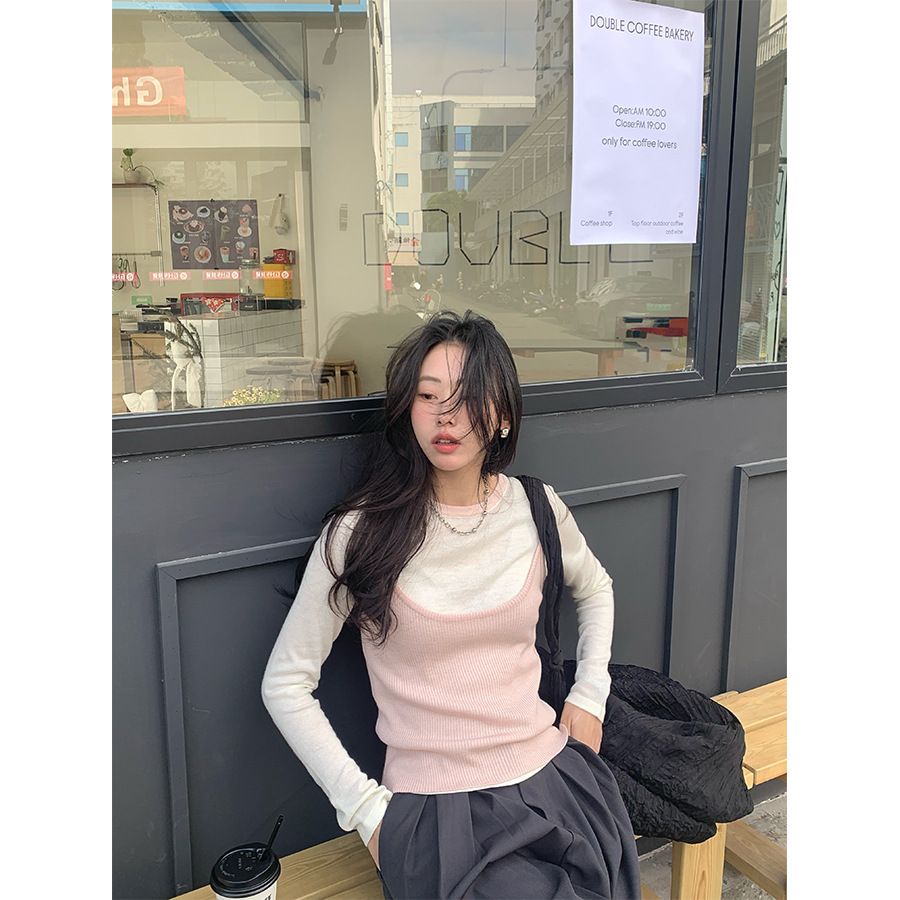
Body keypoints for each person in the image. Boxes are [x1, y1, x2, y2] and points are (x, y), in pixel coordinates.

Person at [262, 310, 641, 899]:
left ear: (505, 415)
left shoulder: (536, 509)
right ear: (406, 408)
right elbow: (285, 682)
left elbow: (596, 587)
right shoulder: (360, 532)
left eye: (470, 397)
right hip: (437, 813)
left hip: (554, 780)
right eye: (428, 395)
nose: (447, 415)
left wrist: (589, 695)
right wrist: (366, 812)